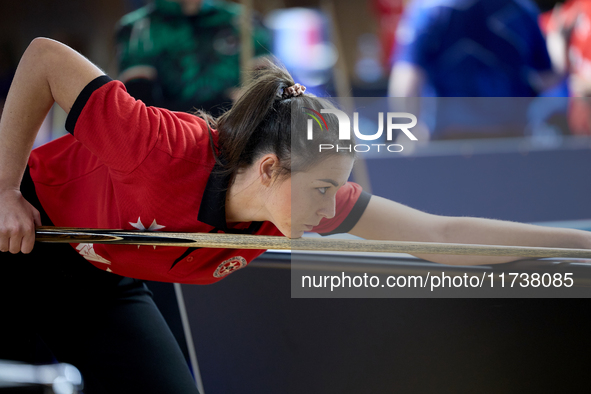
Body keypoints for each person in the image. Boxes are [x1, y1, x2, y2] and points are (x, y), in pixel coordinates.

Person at [1, 38, 590, 393]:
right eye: (325, 188)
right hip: (23, 234)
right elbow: (44, 59)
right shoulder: (161, 145)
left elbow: (440, 233)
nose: (335, 204)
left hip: (102, 278)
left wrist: (584, 245)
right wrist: (3, 190)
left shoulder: (295, 206)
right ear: (270, 171)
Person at [388, 0, 561, 140]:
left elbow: (406, 79)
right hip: (511, 136)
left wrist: (408, 136)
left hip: (449, 138)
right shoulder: (522, 8)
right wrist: (560, 42)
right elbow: (548, 79)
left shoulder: (428, 9)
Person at [116, 0, 272, 115]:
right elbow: (143, 112)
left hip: (237, 141)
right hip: (174, 142)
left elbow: (266, 98)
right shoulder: (138, 29)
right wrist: (223, 103)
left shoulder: (242, 21)